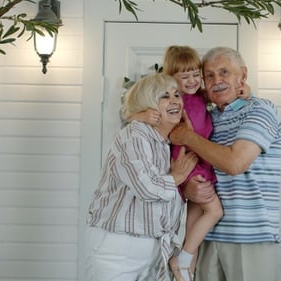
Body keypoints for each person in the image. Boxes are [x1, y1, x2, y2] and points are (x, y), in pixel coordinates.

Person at [129, 45, 252, 281]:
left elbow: (219, 90)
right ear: (171, 80)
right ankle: (182, 259)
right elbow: (133, 112)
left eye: (196, 75)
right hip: (190, 163)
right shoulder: (174, 101)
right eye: (184, 78)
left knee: (194, 223)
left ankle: (186, 270)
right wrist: (141, 116)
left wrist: (243, 87)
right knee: (214, 211)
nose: (193, 81)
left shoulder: (199, 96)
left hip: (201, 162)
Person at [169, 46, 281, 281]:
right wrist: (188, 188)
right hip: (208, 237)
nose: (216, 80)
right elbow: (197, 165)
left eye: (224, 73)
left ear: (242, 74)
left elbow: (235, 163)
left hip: (249, 237)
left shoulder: (260, 110)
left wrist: (189, 136)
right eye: (209, 75)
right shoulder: (208, 117)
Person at [85, 73, 199, 281]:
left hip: (154, 250)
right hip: (118, 248)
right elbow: (146, 188)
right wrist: (176, 177)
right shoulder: (134, 134)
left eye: (176, 95)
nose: (174, 101)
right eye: (164, 96)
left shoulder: (167, 145)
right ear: (148, 104)